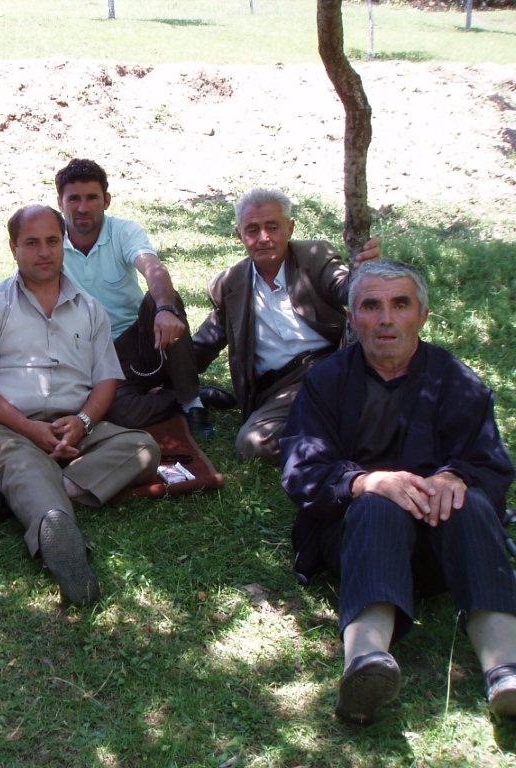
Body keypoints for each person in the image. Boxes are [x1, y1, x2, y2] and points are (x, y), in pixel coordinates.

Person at [281, 260, 516, 724]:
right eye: (371, 305)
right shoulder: (326, 381)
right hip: (355, 534)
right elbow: (301, 470)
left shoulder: (457, 380)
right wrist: (365, 481)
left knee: (466, 501)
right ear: (352, 319)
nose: (385, 318)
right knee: (376, 505)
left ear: (421, 316)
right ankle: (364, 664)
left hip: (439, 542)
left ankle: (505, 672)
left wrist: (453, 479)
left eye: (400, 304)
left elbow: (491, 467)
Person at [0, 205, 161, 606]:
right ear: (13, 248)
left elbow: (105, 382)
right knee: (23, 460)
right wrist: (29, 429)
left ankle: (22, 498)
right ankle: (60, 538)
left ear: (62, 244)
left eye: (51, 241)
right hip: (5, 422)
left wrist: (82, 422)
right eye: (31, 243)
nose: (43, 251)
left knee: (143, 448)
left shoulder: (90, 308)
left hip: (74, 425)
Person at [192, 188, 380, 463]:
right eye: (252, 229)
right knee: (252, 443)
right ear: (239, 235)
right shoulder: (231, 284)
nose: (264, 238)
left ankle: (346, 431)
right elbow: (205, 343)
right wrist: (163, 375)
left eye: (272, 227)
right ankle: (348, 434)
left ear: (290, 228)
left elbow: (344, 287)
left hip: (330, 366)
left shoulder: (315, 257)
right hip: (280, 389)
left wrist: (367, 273)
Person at [54, 159, 212, 439]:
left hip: (141, 338)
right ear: (60, 202)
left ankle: (192, 401)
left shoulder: (123, 231)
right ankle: (178, 396)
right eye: (74, 198)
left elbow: (153, 268)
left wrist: (164, 309)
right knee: (119, 413)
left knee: (164, 299)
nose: (82, 207)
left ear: (106, 200)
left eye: (92, 197)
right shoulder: (52, 241)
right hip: (93, 350)